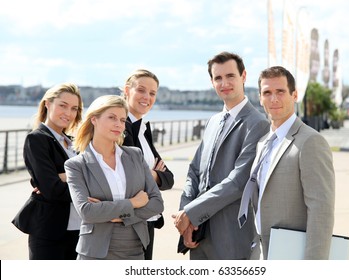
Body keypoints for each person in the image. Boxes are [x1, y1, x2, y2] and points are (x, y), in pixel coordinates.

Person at [172, 51, 269, 259]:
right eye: (218, 78)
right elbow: (194, 171)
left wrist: (190, 213)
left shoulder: (258, 124)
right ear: (212, 82)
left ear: (243, 76)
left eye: (230, 76)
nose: (224, 83)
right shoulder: (213, 121)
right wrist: (186, 215)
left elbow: (238, 182)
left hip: (230, 236)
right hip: (198, 234)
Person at [238, 66, 335, 259]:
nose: (273, 99)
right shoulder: (263, 143)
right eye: (267, 93)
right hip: (263, 251)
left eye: (280, 91)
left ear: (295, 95)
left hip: (293, 253)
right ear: (260, 98)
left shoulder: (310, 141)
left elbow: (321, 211)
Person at [64, 95, 164, 260]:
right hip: (95, 253)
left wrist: (118, 215)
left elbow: (157, 204)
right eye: (112, 117)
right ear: (94, 119)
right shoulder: (76, 165)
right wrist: (133, 203)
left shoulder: (135, 155)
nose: (119, 124)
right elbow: (87, 212)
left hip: (135, 250)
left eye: (123, 119)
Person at [13, 83, 83, 259]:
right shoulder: (37, 139)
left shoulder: (75, 143)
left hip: (79, 231)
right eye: (63, 105)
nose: (68, 113)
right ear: (47, 104)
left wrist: (67, 177)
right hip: (50, 233)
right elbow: (52, 189)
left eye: (74, 108)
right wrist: (86, 192)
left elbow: (95, 176)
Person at [121, 69, 174, 260]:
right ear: (127, 91)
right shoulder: (121, 127)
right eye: (141, 90)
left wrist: (151, 174)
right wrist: (153, 174)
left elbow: (169, 179)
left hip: (147, 219)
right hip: (127, 222)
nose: (147, 97)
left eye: (152, 93)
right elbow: (131, 174)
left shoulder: (143, 129)